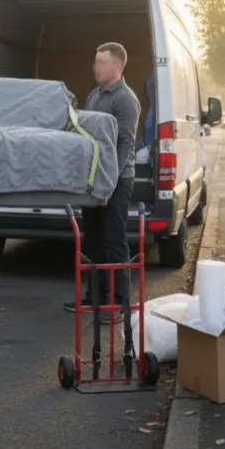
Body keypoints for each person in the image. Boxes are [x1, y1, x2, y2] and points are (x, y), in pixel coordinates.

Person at [65, 42, 141, 319]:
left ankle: (119, 304)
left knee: (114, 241)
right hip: (95, 180)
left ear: (117, 67)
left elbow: (126, 143)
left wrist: (109, 180)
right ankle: (93, 298)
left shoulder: (125, 99)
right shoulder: (95, 95)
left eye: (101, 63)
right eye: (95, 62)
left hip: (117, 181)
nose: (95, 67)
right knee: (93, 241)